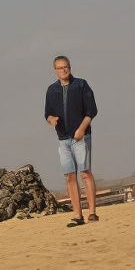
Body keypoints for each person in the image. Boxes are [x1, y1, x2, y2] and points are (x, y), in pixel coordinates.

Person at [44, 55, 98, 226]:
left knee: (85, 172)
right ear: (55, 70)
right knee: (69, 176)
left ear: (70, 67)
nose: (63, 70)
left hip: (81, 137)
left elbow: (92, 110)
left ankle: (92, 213)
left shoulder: (81, 85)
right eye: (59, 68)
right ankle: (77, 215)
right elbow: (47, 114)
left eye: (65, 67)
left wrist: (81, 129)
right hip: (63, 139)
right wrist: (51, 120)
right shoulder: (51, 90)